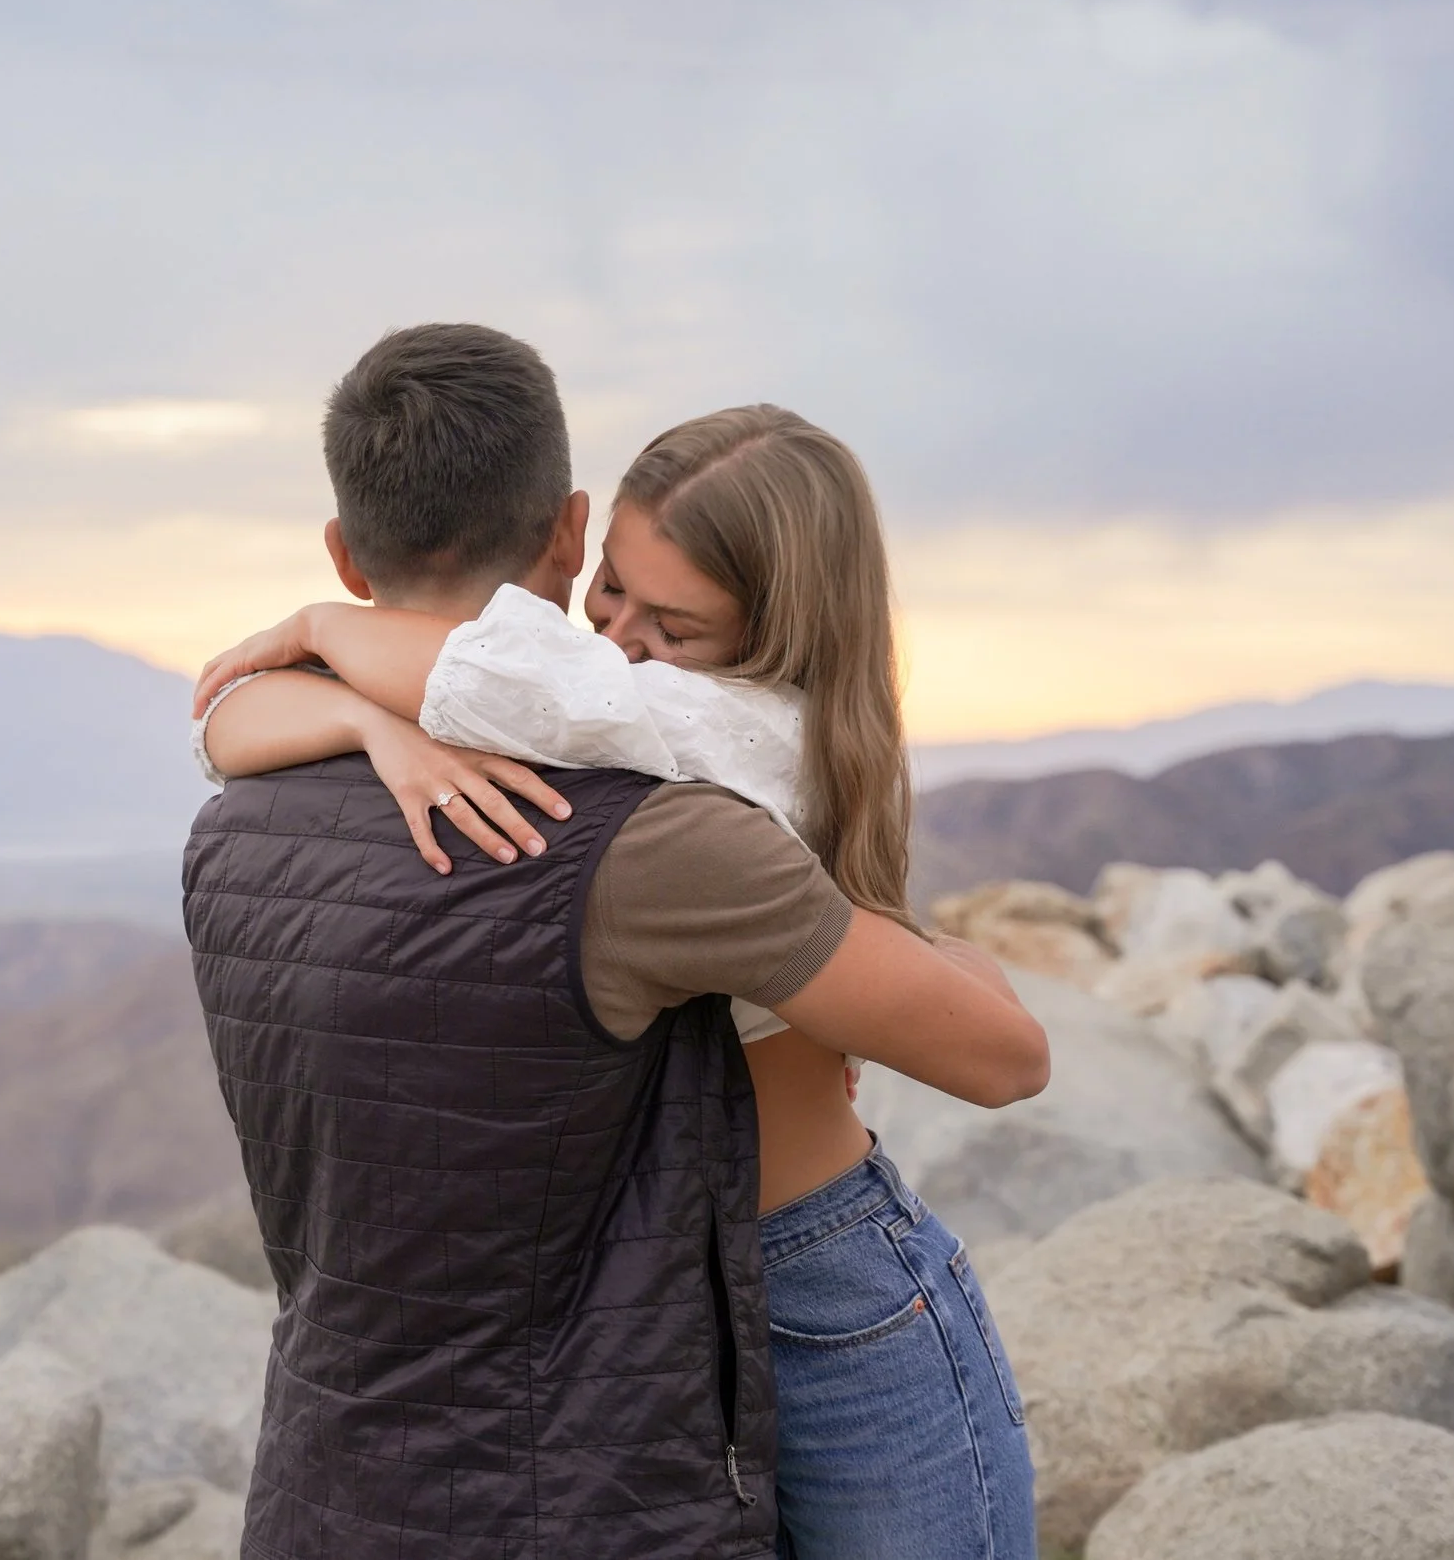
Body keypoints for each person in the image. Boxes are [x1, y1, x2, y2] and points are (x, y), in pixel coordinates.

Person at [183, 326, 1048, 1560]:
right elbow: (245, 709)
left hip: (822, 1281)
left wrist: (327, 630)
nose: (621, 637)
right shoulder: (604, 731)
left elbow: (1007, 1057)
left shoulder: (680, 746)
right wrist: (369, 723)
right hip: (659, 1301)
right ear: (573, 533)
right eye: (610, 592)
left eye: (673, 624)